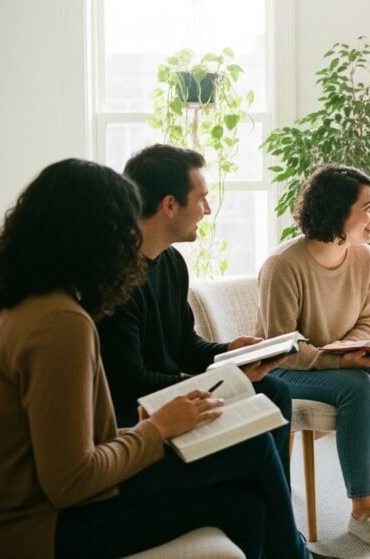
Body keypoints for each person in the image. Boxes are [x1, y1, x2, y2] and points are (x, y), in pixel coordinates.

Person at [0, 159, 312, 559]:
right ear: (94, 236)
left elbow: (70, 449)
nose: (131, 242)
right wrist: (155, 430)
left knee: (246, 504)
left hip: (47, 513)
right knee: (253, 450)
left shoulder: (27, 305)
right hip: (48, 527)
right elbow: (71, 482)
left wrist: (149, 428)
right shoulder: (61, 323)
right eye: (124, 229)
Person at [96, 143, 295, 481]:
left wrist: (230, 353)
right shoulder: (115, 277)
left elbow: (185, 345)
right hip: (139, 412)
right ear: (169, 205)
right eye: (201, 198)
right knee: (257, 425)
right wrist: (219, 380)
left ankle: (273, 499)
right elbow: (130, 382)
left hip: (174, 390)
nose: (208, 209)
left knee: (275, 390)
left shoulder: (172, 262)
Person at [257, 164, 370, 549]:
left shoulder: (366, 258)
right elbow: (281, 346)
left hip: (341, 363)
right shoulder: (284, 265)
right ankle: (362, 511)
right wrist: (339, 360)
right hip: (287, 369)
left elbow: (369, 321)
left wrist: (353, 351)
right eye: (367, 208)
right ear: (336, 211)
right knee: (358, 386)